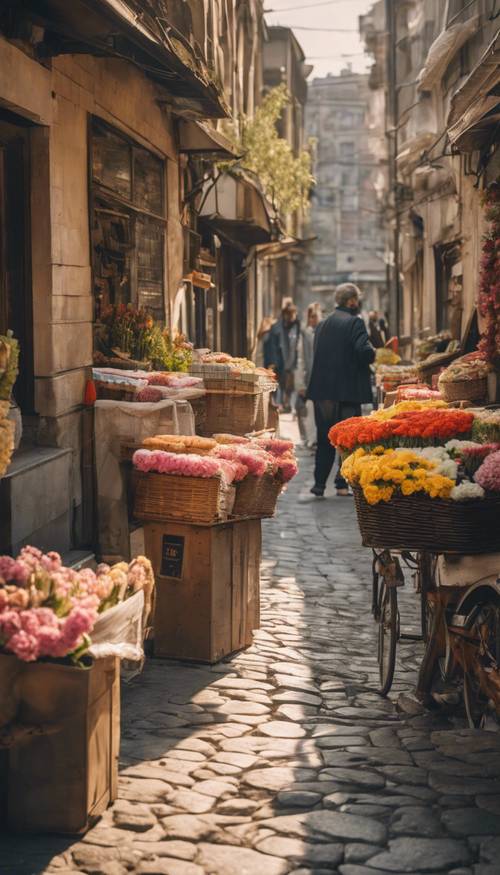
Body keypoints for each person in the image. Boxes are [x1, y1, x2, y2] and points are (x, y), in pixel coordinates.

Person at [307, 283, 375, 497]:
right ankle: (342, 483)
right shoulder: (355, 322)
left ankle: (319, 484)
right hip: (347, 391)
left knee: (325, 437)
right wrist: (372, 353)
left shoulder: (322, 325)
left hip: (323, 392)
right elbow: (364, 352)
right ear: (352, 301)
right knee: (347, 439)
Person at [295, 302, 322, 446]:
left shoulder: (324, 333)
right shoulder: (305, 334)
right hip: (310, 377)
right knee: (310, 409)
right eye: (311, 317)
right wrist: (300, 383)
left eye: (315, 316)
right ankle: (311, 438)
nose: (313, 319)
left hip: (322, 377)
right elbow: (301, 360)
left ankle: (318, 437)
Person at [267, 302, 300, 412]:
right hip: (280, 361)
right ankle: (277, 405)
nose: (291, 317)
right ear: (285, 315)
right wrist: (273, 362)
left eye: (293, 314)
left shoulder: (297, 326)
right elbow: (272, 346)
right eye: (289, 315)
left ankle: (287, 405)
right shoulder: (276, 328)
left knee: (289, 386)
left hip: (292, 361)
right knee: (278, 385)